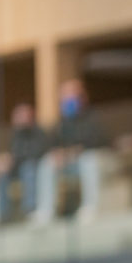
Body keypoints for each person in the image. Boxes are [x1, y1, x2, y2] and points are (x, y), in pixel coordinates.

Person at [34, 78, 108, 224]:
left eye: (72, 94)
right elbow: (51, 144)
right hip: (72, 164)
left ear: (82, 96)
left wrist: (74, 152)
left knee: (88, 159)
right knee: (47, 163)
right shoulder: (62, 123)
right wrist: (57, 154)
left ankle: (91, 207)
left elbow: (97, 142)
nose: (68, 99)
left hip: (98, 161)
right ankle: (46, 210)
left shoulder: (94, 117)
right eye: (65, 96)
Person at [0, 103, 49, 224]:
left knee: (28, 168)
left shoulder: (38, 133)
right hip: (17, 168)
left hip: (35, 168)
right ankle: (3, 214)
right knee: (1, 173)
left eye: (22, 115)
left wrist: (15, 159)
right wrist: (6, 161)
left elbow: (37, 153)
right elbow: (12, 153)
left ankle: (29, 210)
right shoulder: (15, 135)